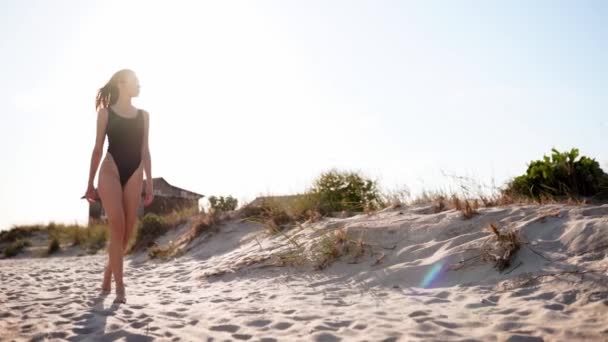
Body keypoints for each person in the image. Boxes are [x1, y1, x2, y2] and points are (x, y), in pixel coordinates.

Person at [83, 69, 154, 304]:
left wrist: (150, 182)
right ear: (122, 84)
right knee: (118, 224)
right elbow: (97, 149)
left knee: (127, 232)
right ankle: (120, 287)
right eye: (136, 82)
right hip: (110, 170)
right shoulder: (105, 114)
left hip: (134, 173)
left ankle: (108, 274)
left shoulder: (144, 116)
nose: (139, 86)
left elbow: (145, 151)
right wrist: (90, 183)